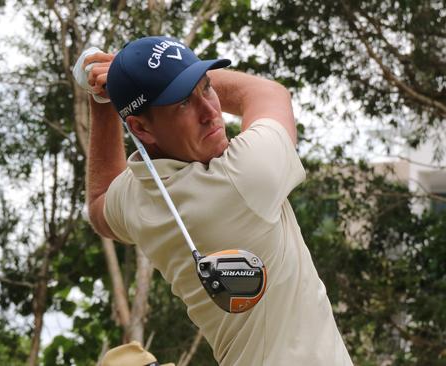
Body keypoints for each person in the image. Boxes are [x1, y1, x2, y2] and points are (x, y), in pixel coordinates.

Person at [76, 36, 353, 365]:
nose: (211, 111)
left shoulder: (138, 197)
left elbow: (98, 204)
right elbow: (268, 93)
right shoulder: (243, 177)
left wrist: (107, 100)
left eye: (206, 87)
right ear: (140, 128)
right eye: (182, 103)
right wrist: (128, 72)